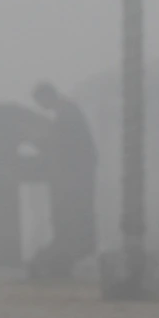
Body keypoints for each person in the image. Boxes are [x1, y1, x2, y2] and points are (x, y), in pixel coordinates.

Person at [29, 81, 97, 278]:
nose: (40, 106)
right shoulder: (66, 112)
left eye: (40, 101)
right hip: (74, 173)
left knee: (73, 212)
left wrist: (44, 144)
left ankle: (74, 252)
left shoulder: (67, 113)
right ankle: (71, 250)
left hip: (75, 175)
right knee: (71, 212)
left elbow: (67, 144)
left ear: (47, 96)